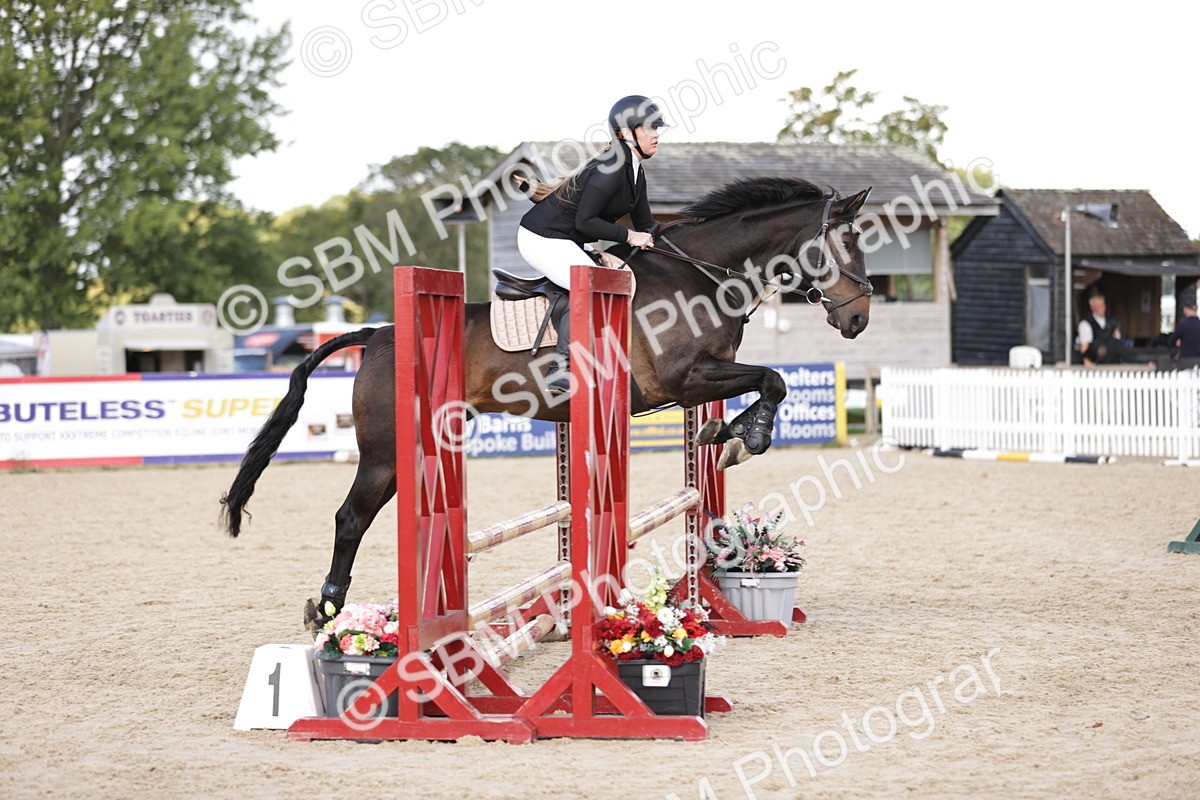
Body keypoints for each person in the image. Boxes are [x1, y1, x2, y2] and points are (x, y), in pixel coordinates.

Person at [516, 95, 667, 392]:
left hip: (567, 240)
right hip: (542, 238)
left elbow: (647, 226)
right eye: (649, 128)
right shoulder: (611, 168)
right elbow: (586, 222)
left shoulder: (634, 171)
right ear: (625, 133)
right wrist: (628, 236)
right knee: (594, 285)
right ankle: (561, 367)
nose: (656, 135)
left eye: (657, 128)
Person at [1078, 294, 1128, 366]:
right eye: (1098, 306)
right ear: (1092, 308)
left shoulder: (1112, 322)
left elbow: (1117, 341)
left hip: (1112, 362)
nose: (1102, 308)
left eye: (1103, 305)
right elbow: (1084, 348)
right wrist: (1087, 362)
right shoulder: (1085, 324)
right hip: (1096, 361)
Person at [1172, 298, 1200, 362]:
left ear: (1186, 309)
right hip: (1198, 359)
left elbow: (1172, 340)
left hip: (1185, 359)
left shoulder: (1183, 324)